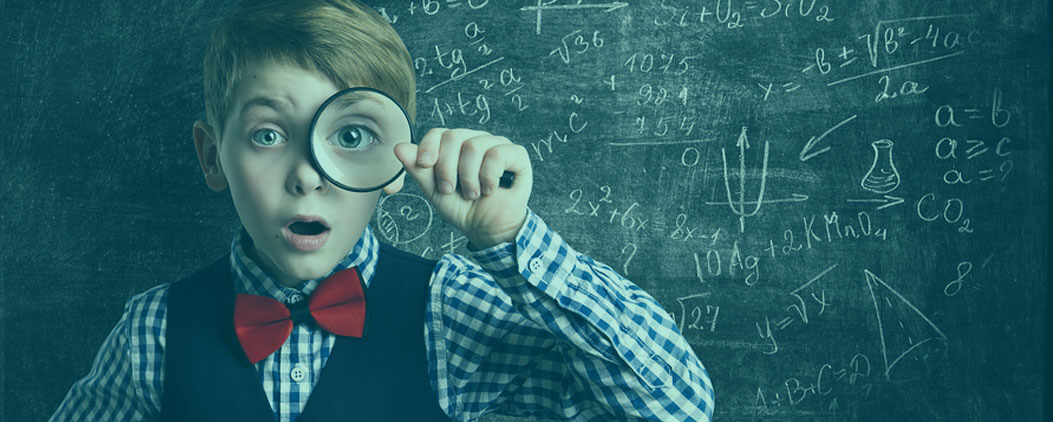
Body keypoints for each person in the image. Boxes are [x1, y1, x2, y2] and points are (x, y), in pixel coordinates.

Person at [51, 0, 714, 420]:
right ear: (210, 157)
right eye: (267, 135)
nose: (307, 174)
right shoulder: (154, 332)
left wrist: (510, 240)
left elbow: (676, 408)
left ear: (396, 162)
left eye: (349, 136)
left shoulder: (450, 310)